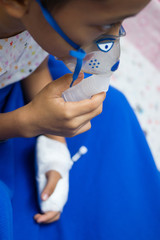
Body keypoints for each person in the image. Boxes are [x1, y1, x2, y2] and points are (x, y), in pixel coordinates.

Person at [1, 0, 160, 240]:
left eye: (121, 23)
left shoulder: (34, 21)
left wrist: (55, 143)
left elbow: (30, 61)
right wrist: (26, 122)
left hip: (14, 90)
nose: (113, 38)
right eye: (104, 25)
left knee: (113, 111)